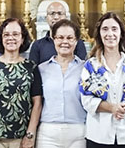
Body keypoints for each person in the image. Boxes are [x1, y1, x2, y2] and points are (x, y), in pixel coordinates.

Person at [79, 12, 125, 148]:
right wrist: (112, 108)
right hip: (99, 135)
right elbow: (86, 100)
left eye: (114, 29)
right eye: (105, 29)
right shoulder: (91, 66)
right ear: (99, 34)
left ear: (121, 34)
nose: (110, 34)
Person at [0, 18, 43, 148]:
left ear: (22, 39)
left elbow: (37, 103)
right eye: (6, 35)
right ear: (1, 38)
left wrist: (30, 134)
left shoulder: (31, 67)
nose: (10, 38)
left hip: (22, 140)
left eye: (15, 34)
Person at [37, 19, 87, 148]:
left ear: (76, 41)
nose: (65, 42)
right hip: (48, 132)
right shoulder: (42, 69)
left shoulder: (85, 68)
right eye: (60, 37)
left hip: (78, 130)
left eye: (70, 38)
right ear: (54, 40)